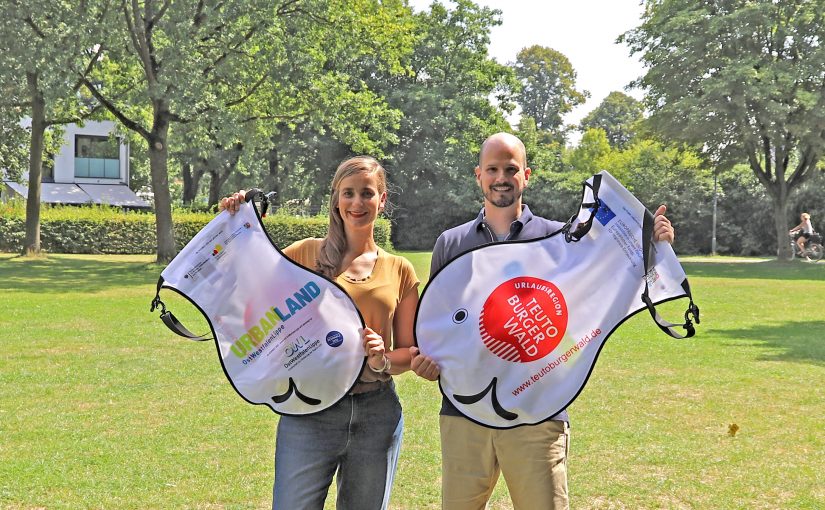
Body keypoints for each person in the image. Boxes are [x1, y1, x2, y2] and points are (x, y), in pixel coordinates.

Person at [410, 132, 676, 510]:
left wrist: (655, 246)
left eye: (511, 169)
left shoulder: (558, 238)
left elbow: (606, 279)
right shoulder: (451, 244)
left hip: (539, 413)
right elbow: (436, 325)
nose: (501, 177)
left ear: (527, 175)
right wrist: (426, 362)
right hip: (464, 415)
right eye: (493, 169)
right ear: (478, 175)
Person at [220, 156, 419, 510]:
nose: (357, 203)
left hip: (376, 414)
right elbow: (248, 284)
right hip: (307, 415)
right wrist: (239, 220)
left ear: (382, 199)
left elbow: (410, 353)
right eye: (349, 193)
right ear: (336, 199)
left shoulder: (399, 269)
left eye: (367, 193)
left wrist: (382, 358)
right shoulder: (304, 253)